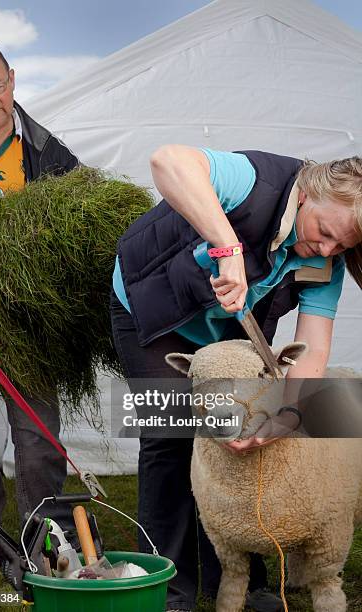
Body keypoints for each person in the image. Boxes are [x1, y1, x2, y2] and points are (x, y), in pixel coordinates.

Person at [110, 144, 362, 612]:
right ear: (308, 194)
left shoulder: (327, 259)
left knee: (247, 426)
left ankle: (241, 577)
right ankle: (170, 588)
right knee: (173, 432)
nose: (327, 249)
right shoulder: (256, 180)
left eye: (341, 246)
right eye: (326, 232)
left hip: (233, 326)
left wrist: (283, 415)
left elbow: (315, 346)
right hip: (153, 313)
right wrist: (227, 249)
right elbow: (167, 160)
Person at [0, 43, 79, 580]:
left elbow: (78, 216)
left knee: (37, 429)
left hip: (29, 318)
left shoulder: (49, 150)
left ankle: (41, 534)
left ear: (13, 79)